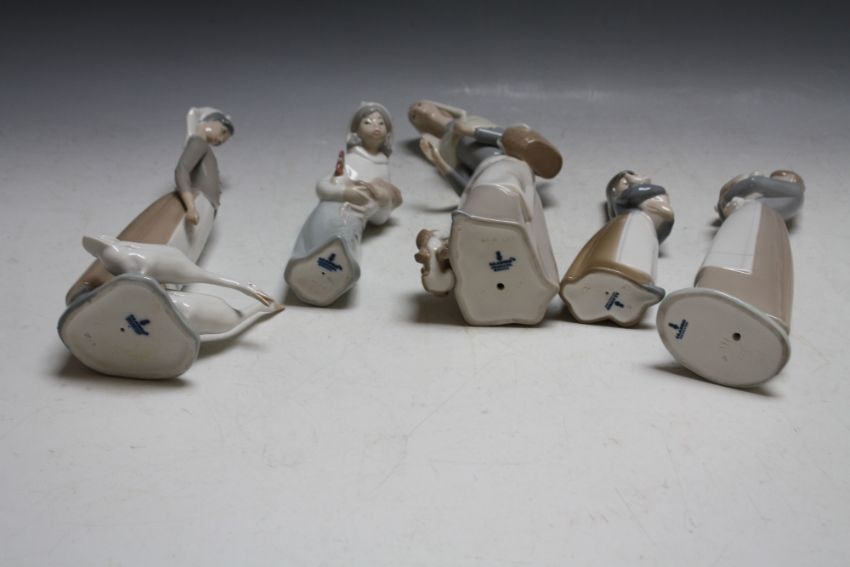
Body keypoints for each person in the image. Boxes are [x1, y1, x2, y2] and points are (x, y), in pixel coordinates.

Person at [284, 102, 402, 306]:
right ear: (356, 131)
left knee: (345, 238)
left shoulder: (383, 167)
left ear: (388, 132)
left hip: (356, 219)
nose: (375, 126)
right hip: (332, 207)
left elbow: (379, 219)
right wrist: (345, 192)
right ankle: (303, 266)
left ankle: (335, 277)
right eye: (368, 122)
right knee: (323, 231)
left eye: (381, 123)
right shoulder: (350, 159)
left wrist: (384, 201)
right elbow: (323, 187)